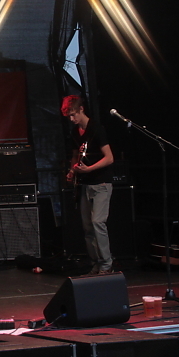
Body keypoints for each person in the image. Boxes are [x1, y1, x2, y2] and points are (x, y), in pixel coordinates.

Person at [62, 95, 115, 275]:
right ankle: (96, 263)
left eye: (73, 114)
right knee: (88, 227)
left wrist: (89, 169)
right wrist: (72, 171)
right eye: (69, 116)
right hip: (85, 184)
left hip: (101, 182)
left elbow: (109, 158)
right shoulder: (75, 132)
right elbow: (75, 155)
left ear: (81, 109)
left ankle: (107, 264)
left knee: (98, 222)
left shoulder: (96, 128)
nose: (72, 119)